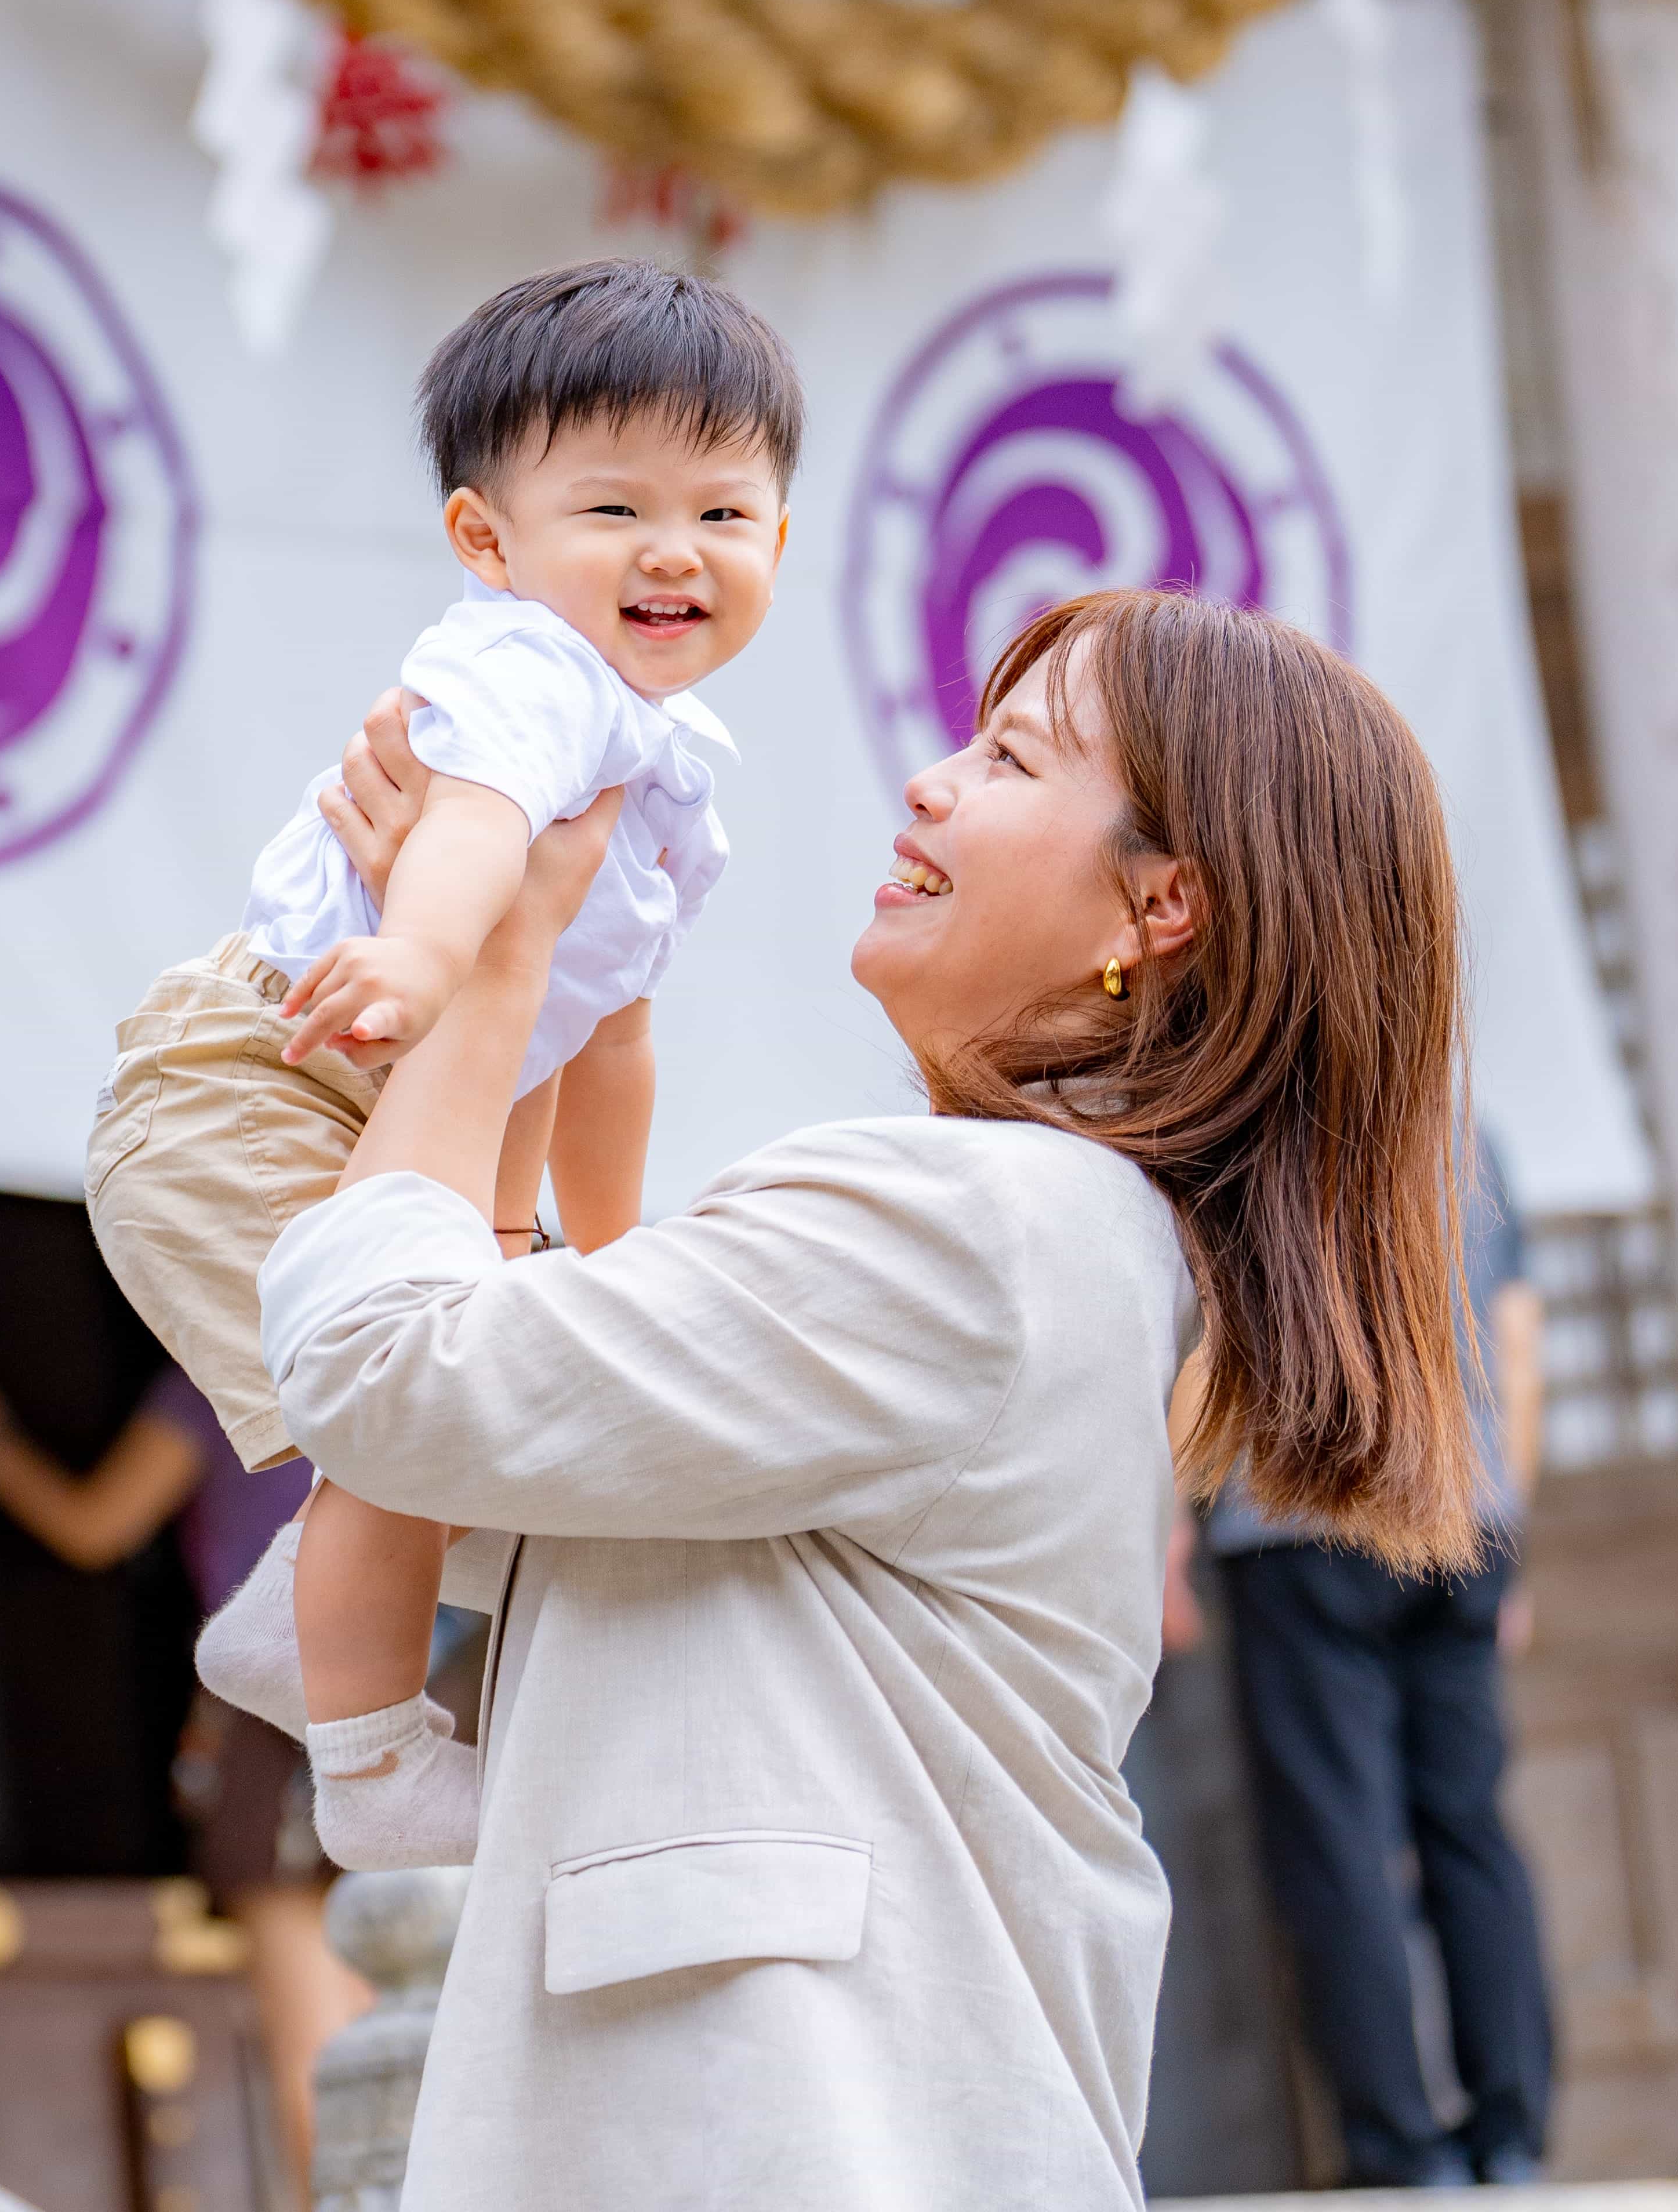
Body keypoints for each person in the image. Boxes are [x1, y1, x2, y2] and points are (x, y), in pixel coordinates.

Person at [255, 586, 1488, 2209]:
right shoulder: (1033, 1241)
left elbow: (390, 1379)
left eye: (1011, 760)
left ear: (1158, 904)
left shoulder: (972, 1228)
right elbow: (509, 1459)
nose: (931, 781)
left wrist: (490, 968)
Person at [83, 260, 799, 1868]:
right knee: (414, 1405)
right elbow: (472, 832)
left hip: (397, 1101)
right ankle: (372, 1760)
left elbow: (603, 1040)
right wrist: (418, 950)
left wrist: (601, 1261)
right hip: (260, 1079)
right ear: (491, 543)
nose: (674, 552)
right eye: (613, 509)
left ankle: (300, 1623)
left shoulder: (673, 769)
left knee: (466, 1398)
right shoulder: (527, 673)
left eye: (726, 514)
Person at [0, 1353, 366, 2181]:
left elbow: (98, 1523)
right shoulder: (399, 1333)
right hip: (422, 1690)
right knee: (401, 2003)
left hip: (268, 1709)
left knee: (314, 2032)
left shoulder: (225, 1362)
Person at [1193, 1135, 1555, 2186]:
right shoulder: (1470, 1136)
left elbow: (1212, 1346)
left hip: (1299, 1523)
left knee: (1337, 1837)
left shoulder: (1250, 1119)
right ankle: (1511, 2136)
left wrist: (1169, 1521)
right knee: (1471, 1824)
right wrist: (1510, 1534)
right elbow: (1520, 1344)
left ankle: (1400, 2153)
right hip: (1464, 1520)